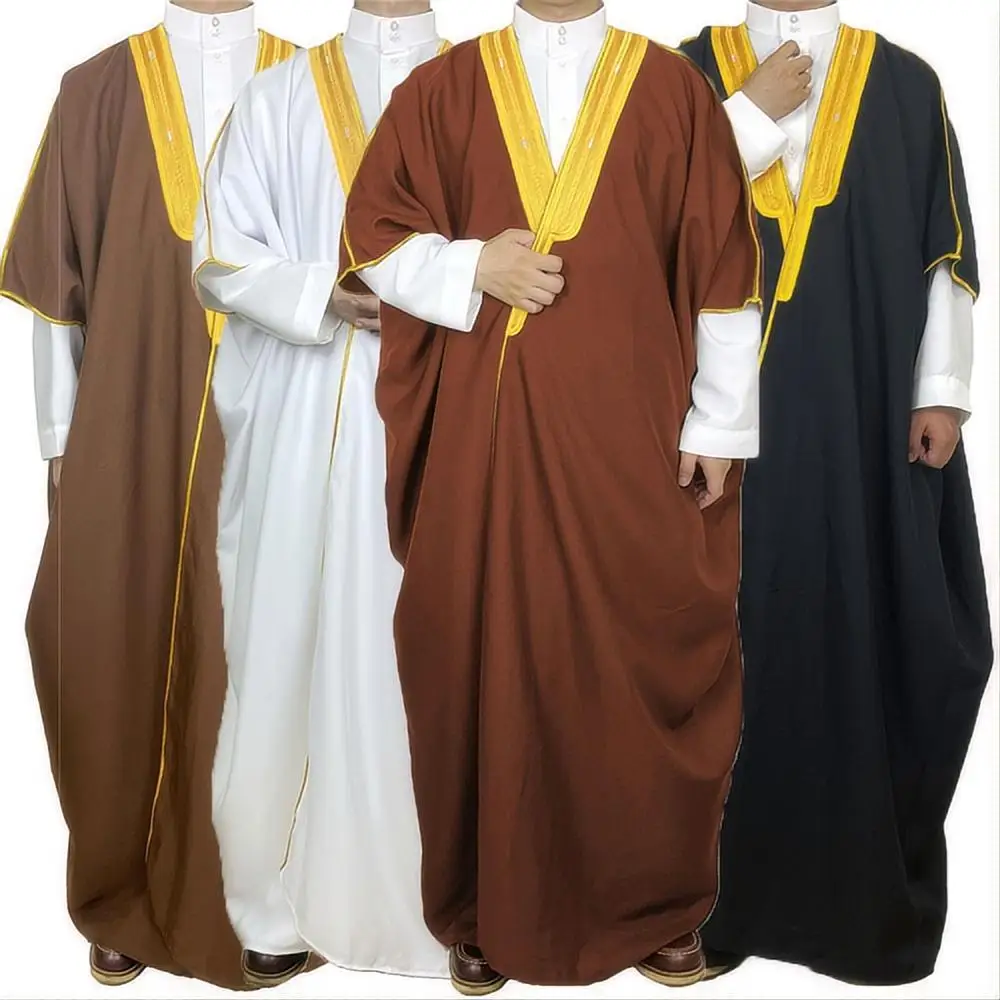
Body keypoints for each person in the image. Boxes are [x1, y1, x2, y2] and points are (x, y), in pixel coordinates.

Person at [338, 0, 764, 991]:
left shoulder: (672, 89)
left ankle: (655, 904)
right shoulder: (441, 90)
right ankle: (487, 905)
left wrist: (715, 423)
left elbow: (722, 265)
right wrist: (471, 264)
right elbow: (375, 236)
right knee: (484, 657)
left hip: (636, 443)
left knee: (639, 653)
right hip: (484, 451)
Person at [679, 1, 993, 985]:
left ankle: (856, 909)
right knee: (724, 642)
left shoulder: (904, 83)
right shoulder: (683, 73)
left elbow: (943, 251)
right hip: (714, 426)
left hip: (867, 417)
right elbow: (645, 218)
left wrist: (940, 389)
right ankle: (708, 904)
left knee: (877, 632)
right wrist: (744, 114)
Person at [0, 0, 294, 988]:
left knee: (264, 647)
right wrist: (58, 437)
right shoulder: (95, 89)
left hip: (282, 418)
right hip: (128, 418)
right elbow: (57, 290)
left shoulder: (313, 82)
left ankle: (265, 898)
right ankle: (118, 885)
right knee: (100, 637)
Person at [192, 2, 452, 988]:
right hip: (305, 415)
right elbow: (220, 256)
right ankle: (273, 903)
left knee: (442, 646)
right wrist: (323, 294)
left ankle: (455, 899)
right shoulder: (274, 97)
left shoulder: (484, 89)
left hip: (454, 410)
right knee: (280, 641)